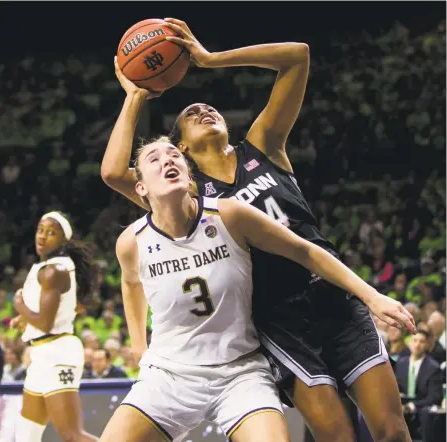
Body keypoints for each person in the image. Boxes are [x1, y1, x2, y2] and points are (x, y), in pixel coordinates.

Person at [101, 18, 416, 442]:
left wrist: (212, 59)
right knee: (338, 435)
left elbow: (297, 57)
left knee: (393, 430)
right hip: (278, 317)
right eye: (191, 114)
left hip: (332, 293)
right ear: (182, 149)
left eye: (208, 108)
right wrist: (136, 96)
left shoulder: (263, 144)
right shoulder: (194, 195)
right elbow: (116, 171)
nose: (204, 109)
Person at [10, 211, 99, 442]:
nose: (43, 236)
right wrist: (24, 319)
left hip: (57, 352)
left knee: (71, 435)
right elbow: (69, 307)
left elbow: (45, 323)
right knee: (25, 436)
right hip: (41, 353)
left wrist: (19, 305)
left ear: (63, 241)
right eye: (41, 230)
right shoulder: (49, 267)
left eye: (51, 233)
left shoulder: (55, 271)